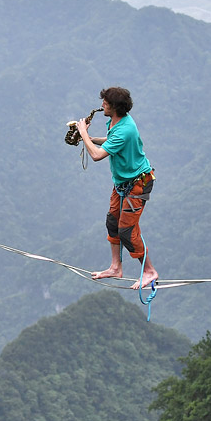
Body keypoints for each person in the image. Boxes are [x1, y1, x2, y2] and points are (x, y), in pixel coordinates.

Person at [77, 86, 158, 289]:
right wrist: (90, 138)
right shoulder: (117, 121)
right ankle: (115, 267)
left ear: (114, 107)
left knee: (126, 230)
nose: (102, 104)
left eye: (105, 102)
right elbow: (111, 142)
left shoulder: (125, 129)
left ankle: (149, 271)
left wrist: (83, 133)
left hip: (138, 185)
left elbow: (96, 156)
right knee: (113, 222)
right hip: (123, 184)